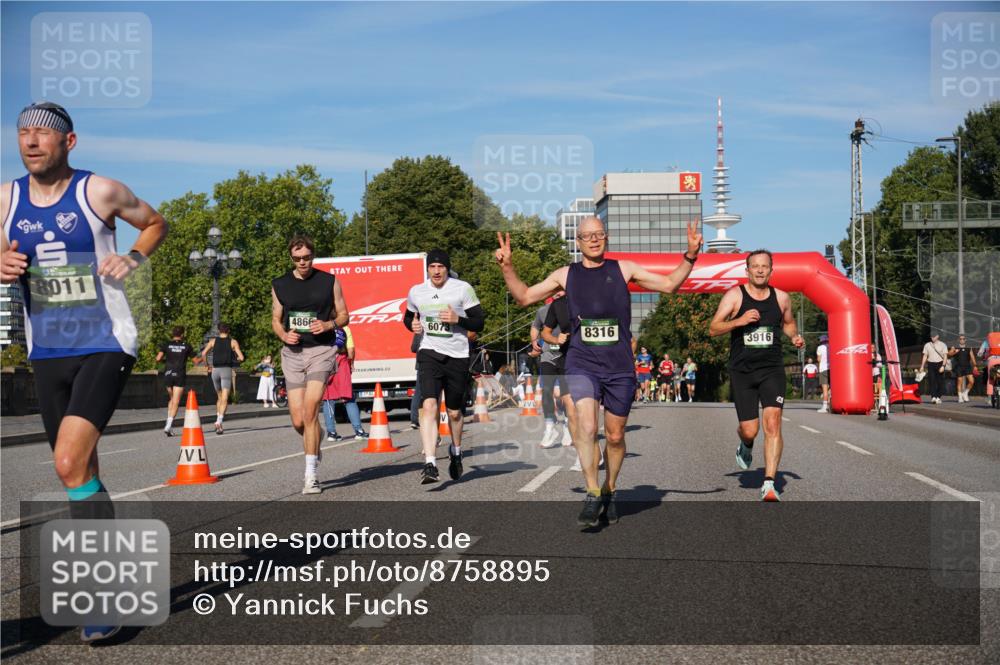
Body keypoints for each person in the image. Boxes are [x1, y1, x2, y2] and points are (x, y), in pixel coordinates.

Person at [1, 101, 167, 642]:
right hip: (47, 349)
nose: (31, 142)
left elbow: (155, 222)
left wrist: (134, 259)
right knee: (82, 472)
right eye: (23, 132)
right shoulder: (5, 199)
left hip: (104, 339)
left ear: (68, 143)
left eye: (43, 135)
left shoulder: (99, 191)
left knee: (68, 462)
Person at [496, 216, 702, 527]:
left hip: (619, 365)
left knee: (616, 436)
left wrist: (690, 255)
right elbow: (525, 297)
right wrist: (507, 268)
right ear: (577, 242)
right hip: (582, 362)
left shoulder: (624, 269)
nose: (594, 239)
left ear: (605, 238)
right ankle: (592, 491)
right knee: (587, 427)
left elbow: (670, 284)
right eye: (587, 236)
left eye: (599, 234)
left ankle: (610, 488)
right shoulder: (566, 275)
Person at [709, 248, 804, 502]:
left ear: (771, 270)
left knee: (772, 423)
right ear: (747, 270)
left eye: (764, 266)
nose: (760, 270)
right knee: (750, 430)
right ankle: (746, 444)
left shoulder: (782, 297)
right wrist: (738, 321)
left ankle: (770, 483)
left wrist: (794, 336)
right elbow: (713, 328)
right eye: (755, 266)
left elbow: (788, 322)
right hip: (742, 371)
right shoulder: (735, 296)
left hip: (772, 369)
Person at [272, 233, 349, 494]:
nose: (302, 262)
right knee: (298, 421)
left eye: (306, 257)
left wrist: (328, 324)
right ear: (291, 258)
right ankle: (315, 438)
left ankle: (311, 475)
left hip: (321, 351)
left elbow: (344, 315)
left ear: (312, 256)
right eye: (297, 258)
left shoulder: (329, 281)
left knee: (310, 409)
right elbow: (275, 319)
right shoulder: (280, 284)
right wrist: (284, 334)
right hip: (292, 353)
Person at [405, 249, 485, 484]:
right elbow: (408, 318)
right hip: (429, 352)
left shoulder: (462, 288)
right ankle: (430, 463)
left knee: (454, 412)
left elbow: (479, 321)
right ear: (427, 269)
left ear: (447, 268)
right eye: (432, 267)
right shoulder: (417, 291)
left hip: (457, 356)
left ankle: (456, 452)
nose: (437, 271)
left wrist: (457, 320)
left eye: (441, 267)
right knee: (428, 405)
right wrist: (414, 325)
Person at [532, 294, 571, 448]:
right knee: (546, 390)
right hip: (548, 356)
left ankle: (568, 426)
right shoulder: (542, 311)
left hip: (566, 355)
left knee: (565, 394)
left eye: (560, 290)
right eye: (554, 291)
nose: (557, 293)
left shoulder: (571, 307)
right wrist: (534, 341)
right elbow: (535, 327)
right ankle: (550, 427)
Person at [322, 326, 368, 440]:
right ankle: (359, 431)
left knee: (328, 399)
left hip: (326, 363)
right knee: (349, 399)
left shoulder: (321, 327)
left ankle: (331, 433)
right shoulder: (344, 328)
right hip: (342, 362)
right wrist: (351, 363)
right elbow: (351, 350)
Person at [201, 323, 245, 434]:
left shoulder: (213, 341)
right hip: (226, 370)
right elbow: (241, 357)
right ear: (228, 330)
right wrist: (235, 360)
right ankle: (219, 421)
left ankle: (218, 423)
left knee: (220, 397)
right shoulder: (233, 342)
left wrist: (207, 366)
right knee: (225, 398)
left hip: (215, 371)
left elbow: (203, 353)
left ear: (219, 331)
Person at [156, 326, 194, 435]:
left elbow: (158, 359)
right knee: (176, 401)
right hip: (179, 374)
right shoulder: (187, 346)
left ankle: (170, 426)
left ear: (172, 334)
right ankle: (168, 425)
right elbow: (196, 361)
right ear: (182, 334)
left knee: (172, 400)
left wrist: (167, 360)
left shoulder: (166, 344)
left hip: (168, 373)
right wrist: (202, 359)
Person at [918, 332, 948, 404]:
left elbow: (945, 356)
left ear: (937, 336)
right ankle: (933, 397)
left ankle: (938, 396)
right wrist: (922, 366)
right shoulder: (927, 345)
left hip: (940, 363)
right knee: (932, 381)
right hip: (931, 364)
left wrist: (943, 366)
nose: (932, 338)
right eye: (931, 337)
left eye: (934, 336)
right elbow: (925, 356)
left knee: (940, 382)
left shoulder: (943, 345)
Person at [948, 335, 977, 404]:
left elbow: (972, 356)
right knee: (959, 381)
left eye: (963, 339)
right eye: (960, 339)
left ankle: (965, 393)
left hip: (967, 366)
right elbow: (948, 354)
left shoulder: (968, 347)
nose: (962, 340)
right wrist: (955, 352)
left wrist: (975, 365)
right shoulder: (954, 347)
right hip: (959, 367)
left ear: (965, 340)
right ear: (958, 340)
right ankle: (960, 397)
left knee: (971, 381)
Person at [816, 334, 831, 412]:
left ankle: (825, 407)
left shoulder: (819, 348)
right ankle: (831, 404)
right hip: (831, 368)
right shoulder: (831, 346)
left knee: (825, 389)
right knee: (832, 388)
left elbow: (819, 360)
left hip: (823, 369)